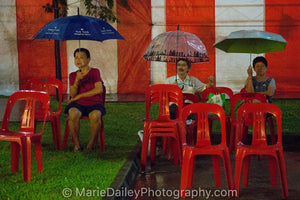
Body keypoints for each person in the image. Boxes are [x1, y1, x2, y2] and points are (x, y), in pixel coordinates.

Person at [65, 48, 106, 152]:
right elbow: (73, 94)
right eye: (76, 57)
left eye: (82, 57)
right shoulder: (73, 75)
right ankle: (77, 144)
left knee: (95, 115)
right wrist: (77, 80)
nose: (78, 60)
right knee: (72, 114)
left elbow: (99, 89)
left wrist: (80, 96)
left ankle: (91, 144)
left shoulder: (95, 72)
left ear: (88, 59)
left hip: (94, 103)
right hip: (78, 104)